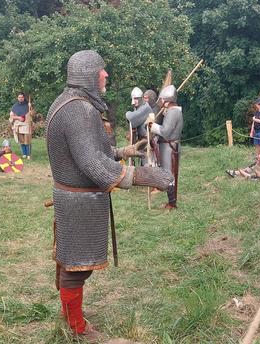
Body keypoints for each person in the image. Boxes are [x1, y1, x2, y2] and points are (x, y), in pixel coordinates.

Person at [46, 50, 173, 340]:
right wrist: (140, 175)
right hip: (79, 201)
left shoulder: (68, 102)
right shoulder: (79, 110)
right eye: (102, 70)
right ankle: (76, 327)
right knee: (76, 268)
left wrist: (122, 152)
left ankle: (69, 315)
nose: (106, 75)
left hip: (75, 198)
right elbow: (91, 164)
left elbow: (86, 152)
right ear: (88, 74)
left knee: (72, 263)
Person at [149, 84, 183, 209]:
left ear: (166, 100)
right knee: (169, 174)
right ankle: (171, 201)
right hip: (169, 146)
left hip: (170, 147)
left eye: (162, 99)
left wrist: (153, 126)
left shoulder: (173, 113)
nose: (161, 101)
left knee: (169, 175)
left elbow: (166, 131)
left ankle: (172, 203)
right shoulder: (172, 111)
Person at [125, 87, 154, 166]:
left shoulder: (145, 108)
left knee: (148, 168)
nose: (134, 102)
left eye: (136, 99)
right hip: (142, 143)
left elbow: (131, 118)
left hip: (148, 143)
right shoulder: (139, 108)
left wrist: (127, 113)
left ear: (141, 98)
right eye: (133, 99)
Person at [10, 92, 33, 159]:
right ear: (17, 98)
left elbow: (33, 114)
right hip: (18, 125)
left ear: (23, 98)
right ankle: (24, 154)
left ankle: (28, 154)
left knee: (27, 140)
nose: (20, 98)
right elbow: (11, 116)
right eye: (19, 97)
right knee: (21, 141)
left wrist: (30, 107)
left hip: (26, 124)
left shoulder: (28, 105)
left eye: (22, 97)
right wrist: (18, 118)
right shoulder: (15, 106)